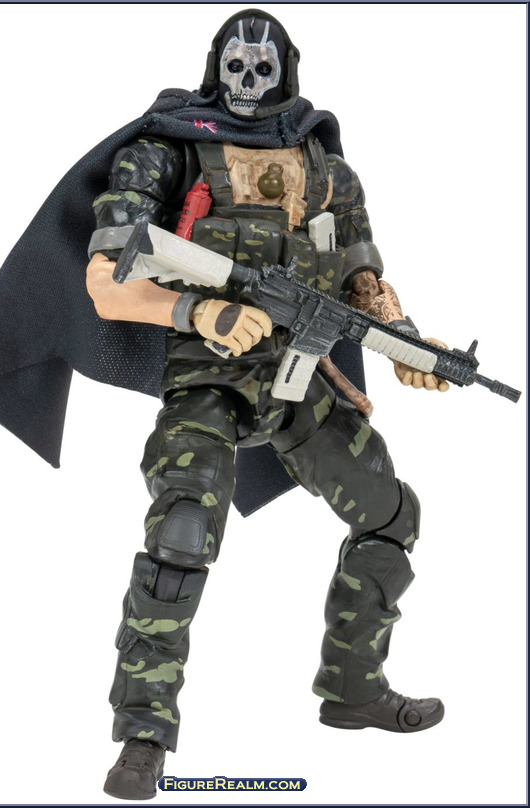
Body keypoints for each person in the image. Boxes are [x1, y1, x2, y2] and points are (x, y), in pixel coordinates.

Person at [83, 10, 447, 801]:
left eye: (263, 68)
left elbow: (365, 283)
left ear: (287, 70)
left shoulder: (326, 168)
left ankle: (353, 690)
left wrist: (406, 343)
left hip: (299, 378)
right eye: (237, 66)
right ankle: (143, 736)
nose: (249, 81)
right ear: (217, 65)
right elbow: (107, 283)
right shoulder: (167, 150)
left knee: (391, 515)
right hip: (207, 378)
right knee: (182, 532)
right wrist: (198, 311)